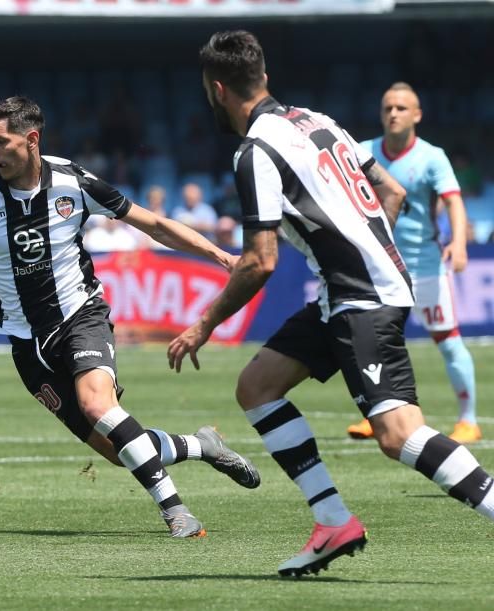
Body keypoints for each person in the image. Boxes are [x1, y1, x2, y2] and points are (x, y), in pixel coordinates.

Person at [169, 30, 494, 577]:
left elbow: (260, 260)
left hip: (360, 296)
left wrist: (204, 323)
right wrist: (369, 247)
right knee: (257, 387)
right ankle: (332, 521)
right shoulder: (317, 121)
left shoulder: (255, 152)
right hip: (350, 290)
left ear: (216, 90)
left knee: (398, 435)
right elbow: (391, 193)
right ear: (264, 77)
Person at [0, 96, 261, 539]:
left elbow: (153, 224)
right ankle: (199, 445)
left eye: (0, 142)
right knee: (115, 450)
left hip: (79, 315)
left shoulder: (74, 183)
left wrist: (219, 254)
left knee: (97, 404)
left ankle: (176, 512)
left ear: (31, 139)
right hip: (24, 340)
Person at [346, 83, 480, 444]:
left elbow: (453, 200)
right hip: (379, 265)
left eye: (402, 108)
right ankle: (377, 418)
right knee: (371, 345)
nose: (393, 113)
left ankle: (469, 419)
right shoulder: (363, 152)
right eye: (388, 107)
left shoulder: (432, 157)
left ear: (417, 115)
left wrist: (458, 241)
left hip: (424, 264)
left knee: (448, 341)